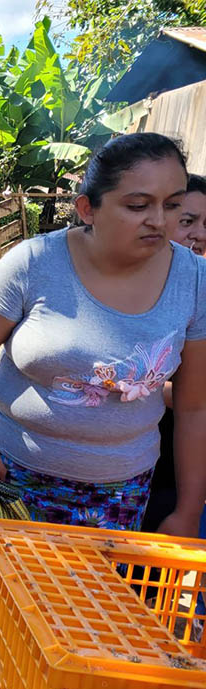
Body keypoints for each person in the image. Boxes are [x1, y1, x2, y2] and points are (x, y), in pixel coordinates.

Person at [0, 133, 206, 550]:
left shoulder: (194, 282)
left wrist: (188, 511)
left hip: (122, 494)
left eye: (172, 204)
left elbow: (194, 407)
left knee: (94, 594)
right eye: (138, 206)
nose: (159, 220)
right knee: (6, 591)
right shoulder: (33, 264)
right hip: (12, 480)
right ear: (88, 209)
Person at [141, 173, 206, 535]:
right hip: (135, 458)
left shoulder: (199, 285)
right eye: (187, 221)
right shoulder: (126, 287)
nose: (199, 233)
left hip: (180, 465)